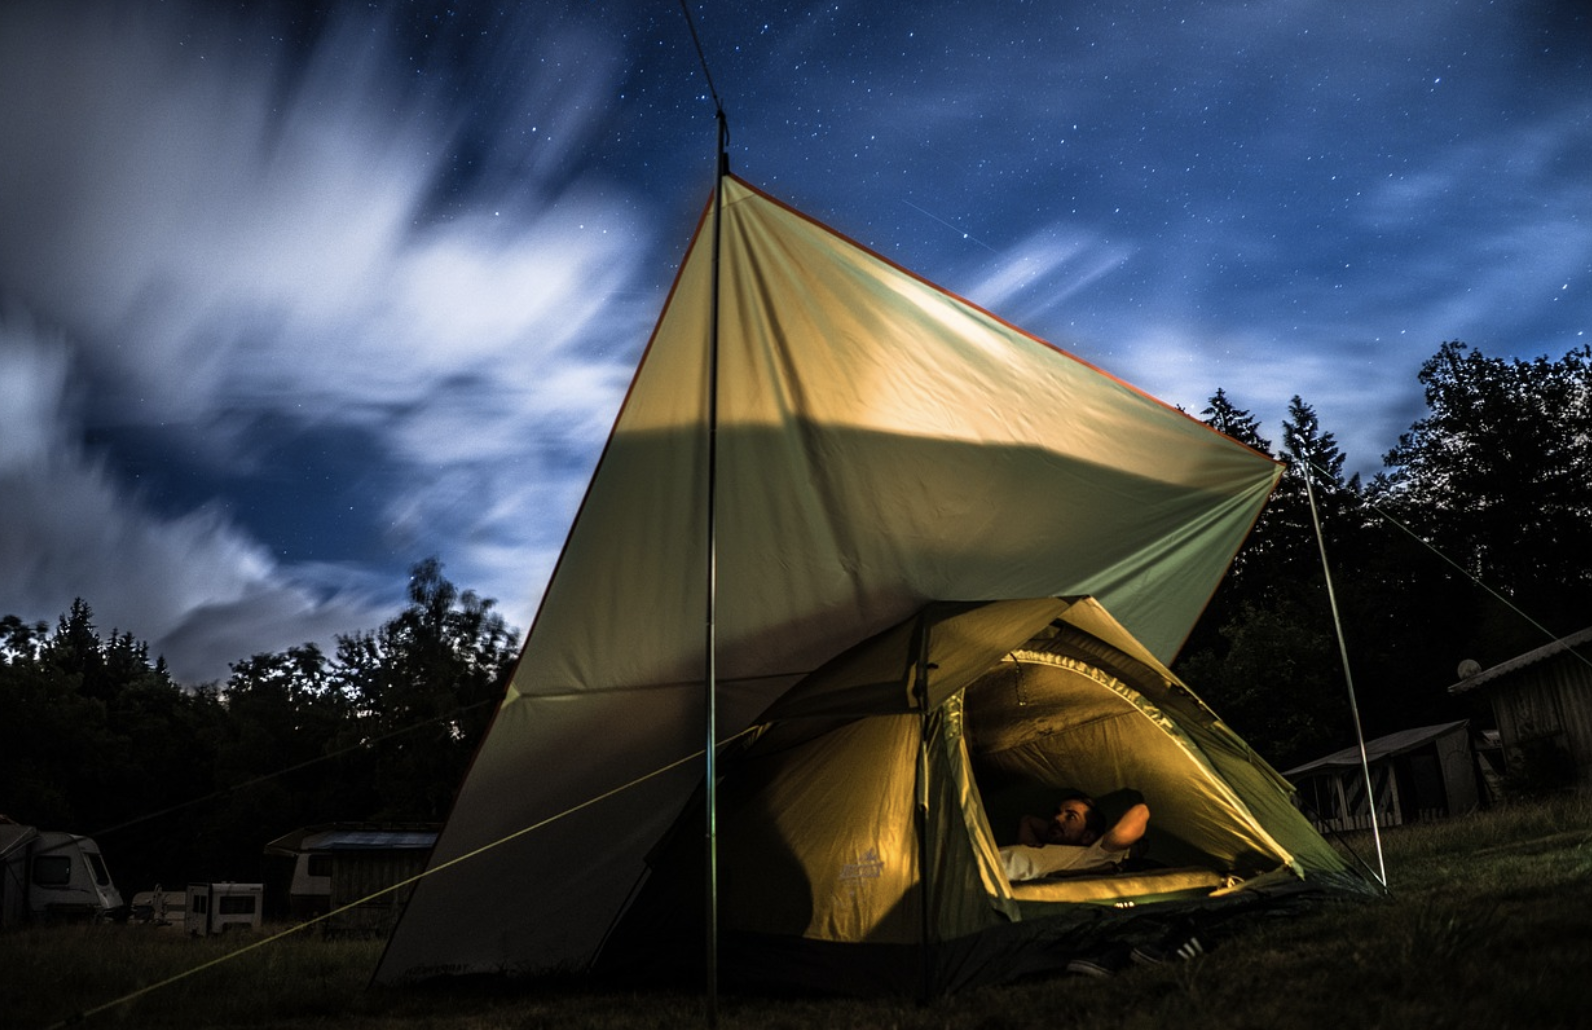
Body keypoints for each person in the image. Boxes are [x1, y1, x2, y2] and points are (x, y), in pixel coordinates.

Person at [1000, 795, 1150, 882]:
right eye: (1058, 813)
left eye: (1070, 817)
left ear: (1087, 836)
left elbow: (1140, 812)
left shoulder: (1091, 857)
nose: (1057, 818)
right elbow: (1029, 821)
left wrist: (1125, 851)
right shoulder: (1045, 850)